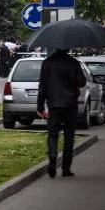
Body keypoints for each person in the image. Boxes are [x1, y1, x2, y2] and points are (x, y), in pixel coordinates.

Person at [37, 49, 86, 178]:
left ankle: (53, 156)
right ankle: (66, 168)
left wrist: (40, 106)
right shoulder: (73, 62)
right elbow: (82, 82)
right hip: (70, 104)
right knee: (69, 136)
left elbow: (42, 85)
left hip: (53, 104)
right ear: (67, 49)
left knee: (52, 134)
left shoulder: (47, 63)